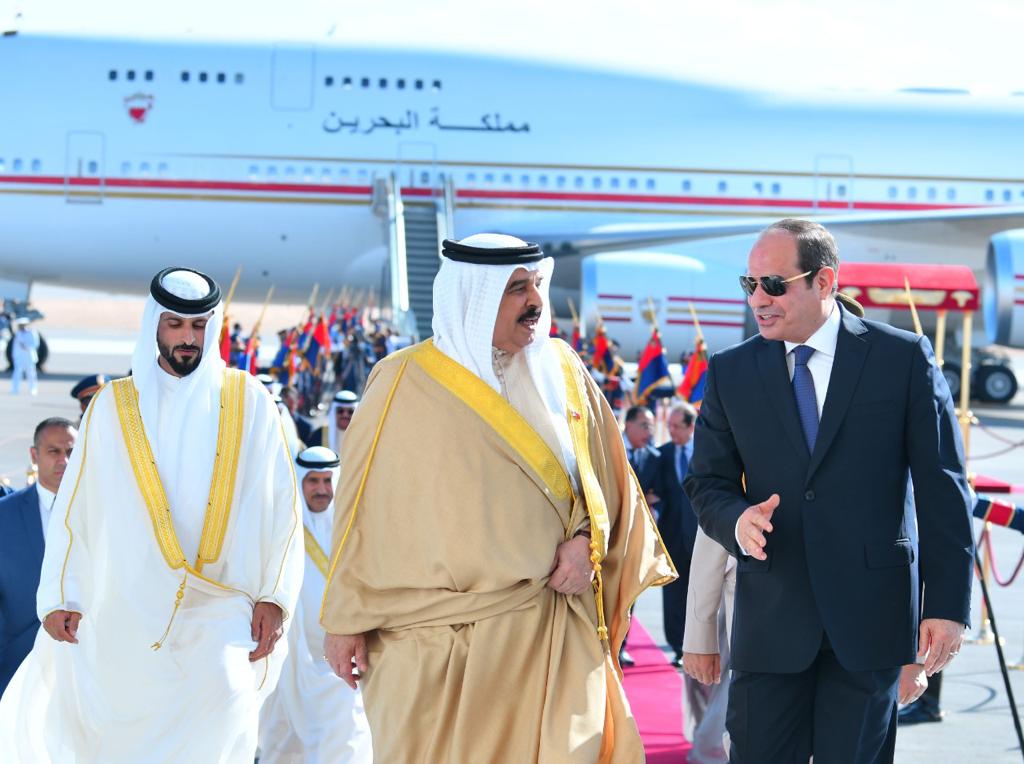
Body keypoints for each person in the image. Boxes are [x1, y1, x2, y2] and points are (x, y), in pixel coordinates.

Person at [321, 233, 675, 763]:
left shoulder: (564, 372)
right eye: (515, 289)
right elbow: (358, 510)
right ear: (474, 297)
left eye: (535, 285)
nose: (534, 302)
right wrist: (344, 619)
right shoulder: (401, 381)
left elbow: (609, 482)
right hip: (434, 648)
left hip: (552, 630)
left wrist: (588, 542)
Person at [684, 218, 974, 762]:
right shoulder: (730, 372)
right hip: (770, 624)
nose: (758, 299)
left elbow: (944, 489)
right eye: (750, 284)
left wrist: (946, 606)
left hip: (871, 625)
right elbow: (707, 482)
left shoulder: (902, 359)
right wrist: (737, 520)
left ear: (824, 281)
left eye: (774, 284)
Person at [0, 267, 304, 763]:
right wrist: (60, 594)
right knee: (126, 740)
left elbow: (283, 507)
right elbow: (76, 508)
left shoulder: (250, 401)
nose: (188, 338)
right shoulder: (112, 407)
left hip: (224, 600)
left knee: (225, 701)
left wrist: (276, 595)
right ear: (153, 326)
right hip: (128, 609)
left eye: (199, 326)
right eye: (175, 325)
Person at [259, 446, 372, 763]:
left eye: (327, 481)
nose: (322, 490)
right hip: (294, 659)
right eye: (313, 481)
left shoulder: (352, 526)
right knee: (284, 736)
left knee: (347, 734)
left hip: (343, 660)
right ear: (300, 481)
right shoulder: (284, 527)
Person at [0, 418, 77, 697]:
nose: (64, 461)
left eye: (71, 452)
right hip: (16, 666)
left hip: (82, 668)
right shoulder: (4, 514)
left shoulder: (102, 513)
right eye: (53, 451)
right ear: (34, 455)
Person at [656, 402, 699, 667]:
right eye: (669, 426)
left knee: (702, 593)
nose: (671, 431)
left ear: (691, 426)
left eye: (676, 426)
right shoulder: (661, 455)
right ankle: (678, 648)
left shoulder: (706, 452)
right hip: (671, 536)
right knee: (673, 594)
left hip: (702, 536)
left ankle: (703, 645)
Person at [621, 404, 661, 668]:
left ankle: (620, 645)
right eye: (644, 425)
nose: (649, 432)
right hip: (606, 534)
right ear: (628, 424)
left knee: (630, 590)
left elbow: (658, 493)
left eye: (652, 426)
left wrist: (653, 507)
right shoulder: (609, 445)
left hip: (635, 537)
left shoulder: (652, 457)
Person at [10, 317, 39, 395]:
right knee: (17, 373)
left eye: (22, 325)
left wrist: (26, 347)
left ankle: (33, 389)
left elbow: (35, 344)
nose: (20, 327)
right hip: (19, 357)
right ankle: (15, 389)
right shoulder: (18, 334)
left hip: (29, 357)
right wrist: (14, 356)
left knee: (31, 373)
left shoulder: (32, 333)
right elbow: (15, 347)